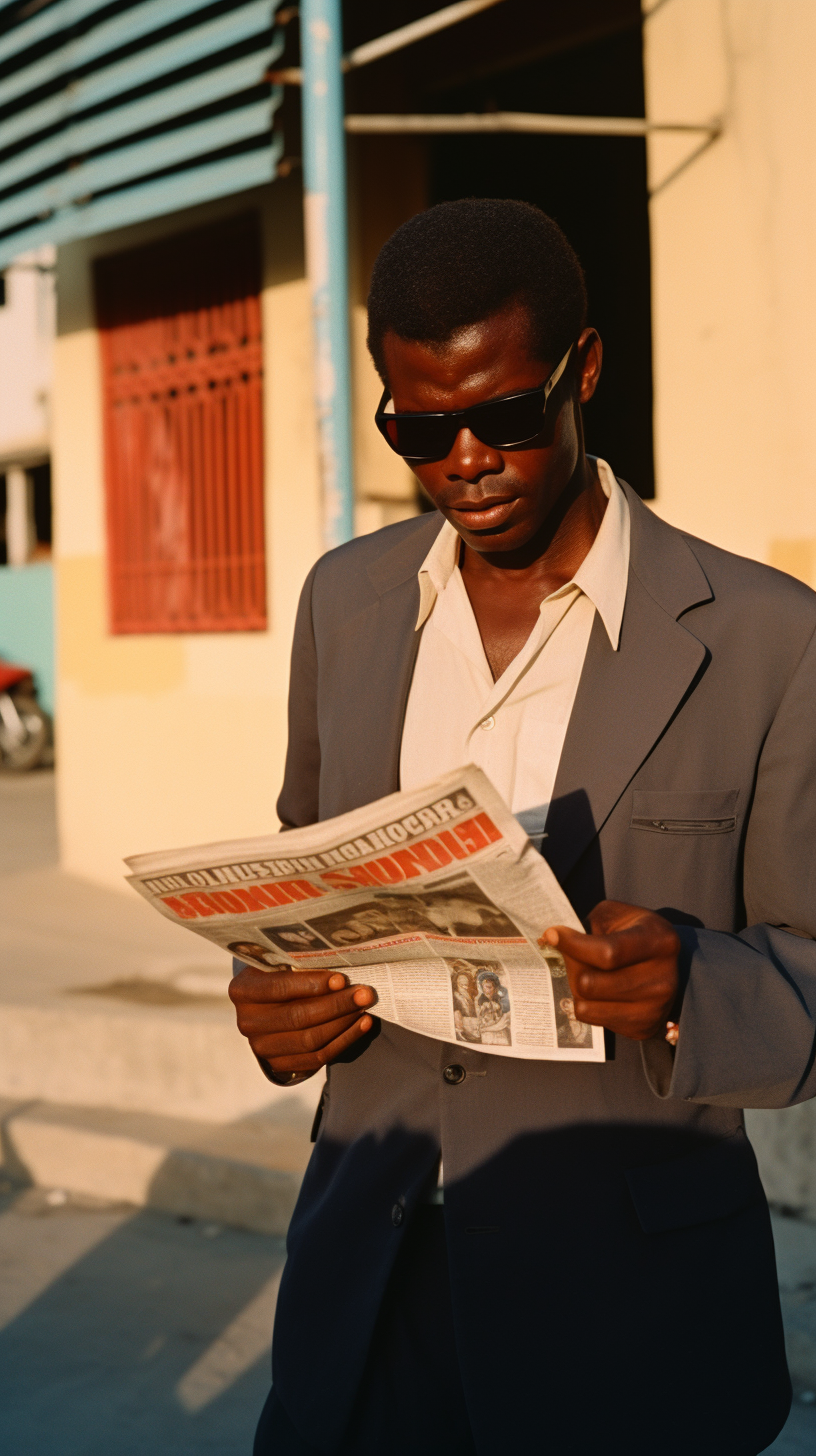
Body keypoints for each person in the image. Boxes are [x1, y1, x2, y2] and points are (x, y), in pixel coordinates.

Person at [229, 198, 816, 1455]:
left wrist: (688, 983)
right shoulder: (346, 602)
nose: (466, 462)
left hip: (631, 1328)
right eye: (420, 429)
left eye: (503, 415)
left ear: (583, 371)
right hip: (367, 1298)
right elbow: (300, 892)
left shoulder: (769, 637)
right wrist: (278, 1004)